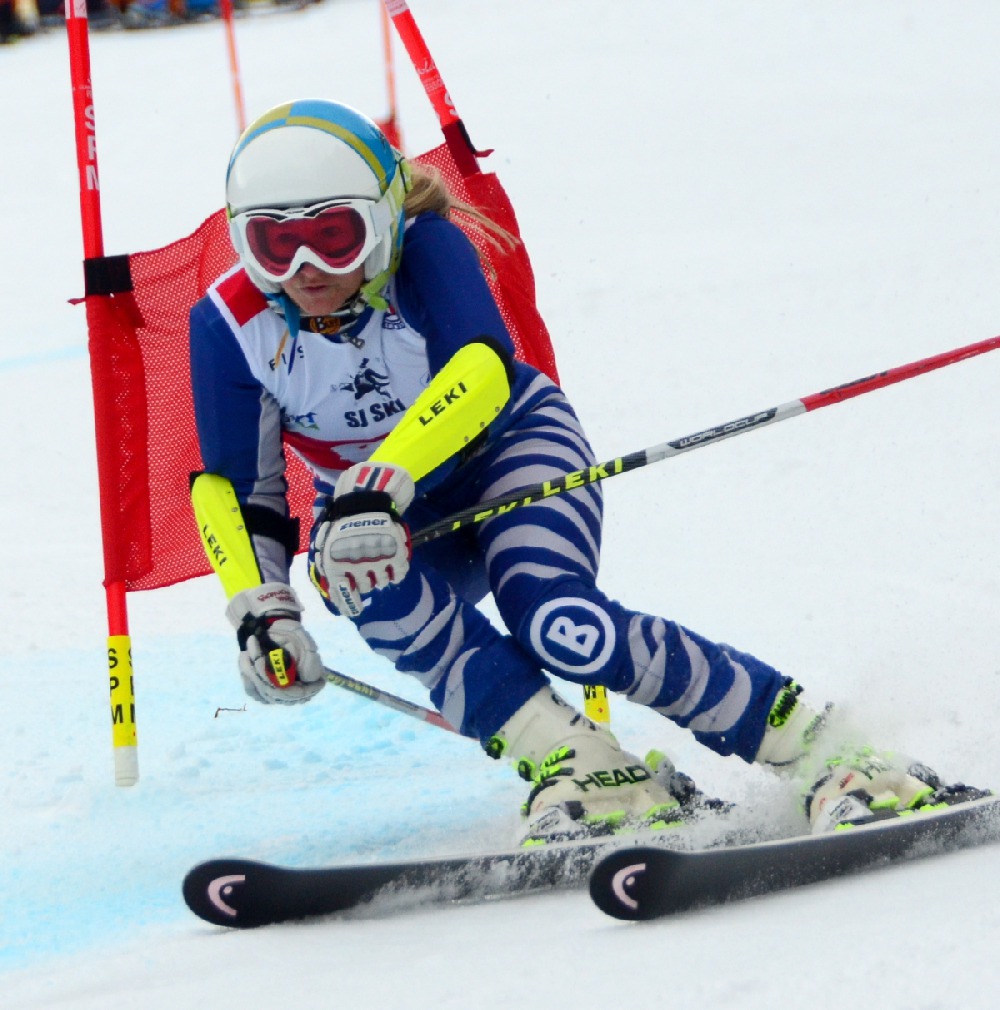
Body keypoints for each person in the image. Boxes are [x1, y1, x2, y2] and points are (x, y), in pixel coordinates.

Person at [189, 99, 979, 845]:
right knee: (360, 582)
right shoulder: (230, 325)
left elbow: (480, 370)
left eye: (334, 237)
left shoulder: (424, 247)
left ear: (384, 218)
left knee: (558, 621)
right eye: (271, 243)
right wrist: (261, 610)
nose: (302, 266)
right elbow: (237, 491)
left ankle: (825, 747)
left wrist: (380, 479)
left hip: (508, 450)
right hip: (382, 516)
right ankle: (586, 768)